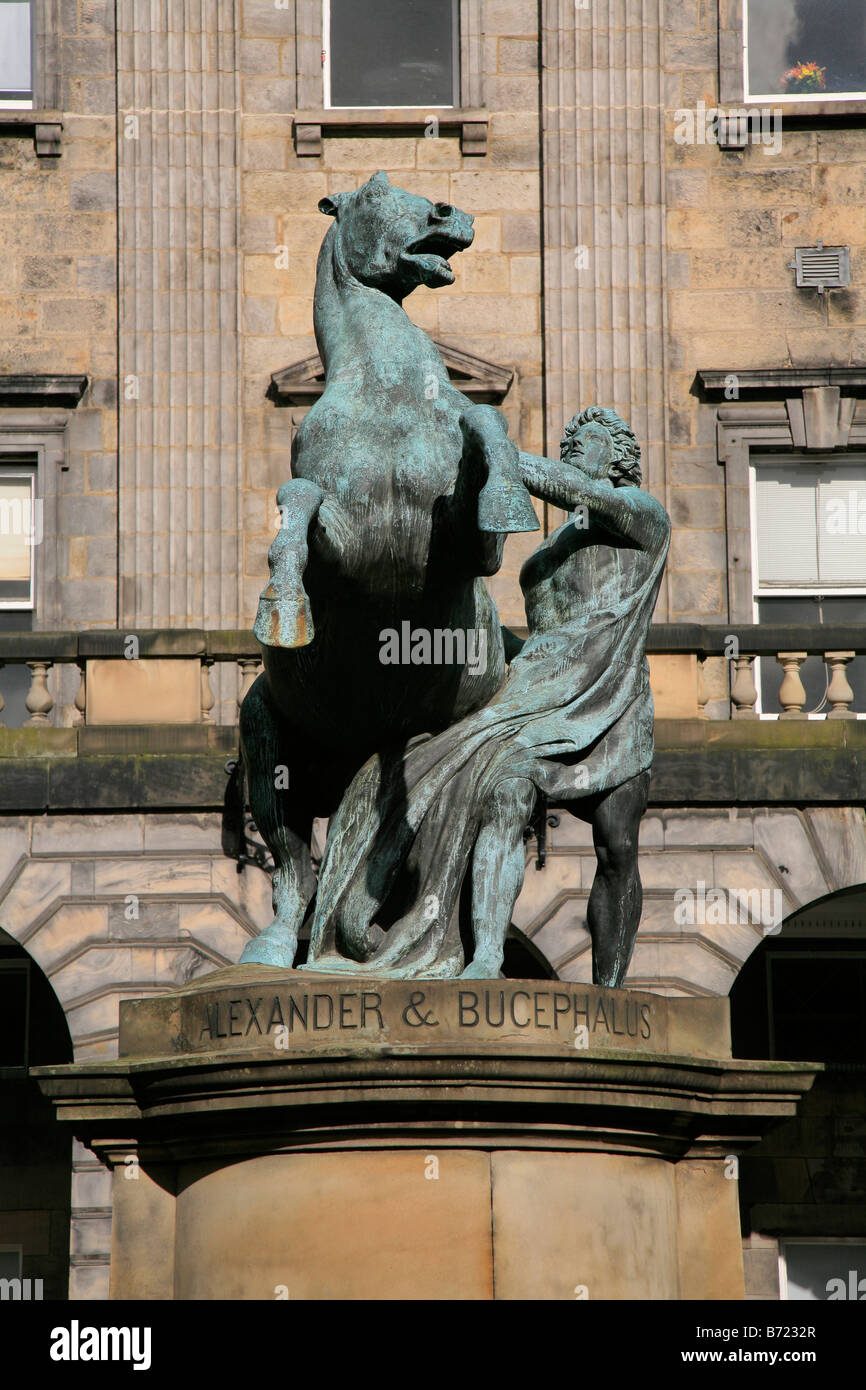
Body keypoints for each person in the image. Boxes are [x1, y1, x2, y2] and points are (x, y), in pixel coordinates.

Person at [303, 407, 670, 987]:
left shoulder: (642, 517)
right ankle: (486, 957)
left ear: (619, 456)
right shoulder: (551, 551)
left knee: (618, 846)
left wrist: (491, 452)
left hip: (611, 697)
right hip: (532, 694)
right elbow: (531, 641)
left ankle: (611, 991)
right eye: (569, 438)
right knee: (503, 794)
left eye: (590, 439)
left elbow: (572, 487)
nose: (575, 445)